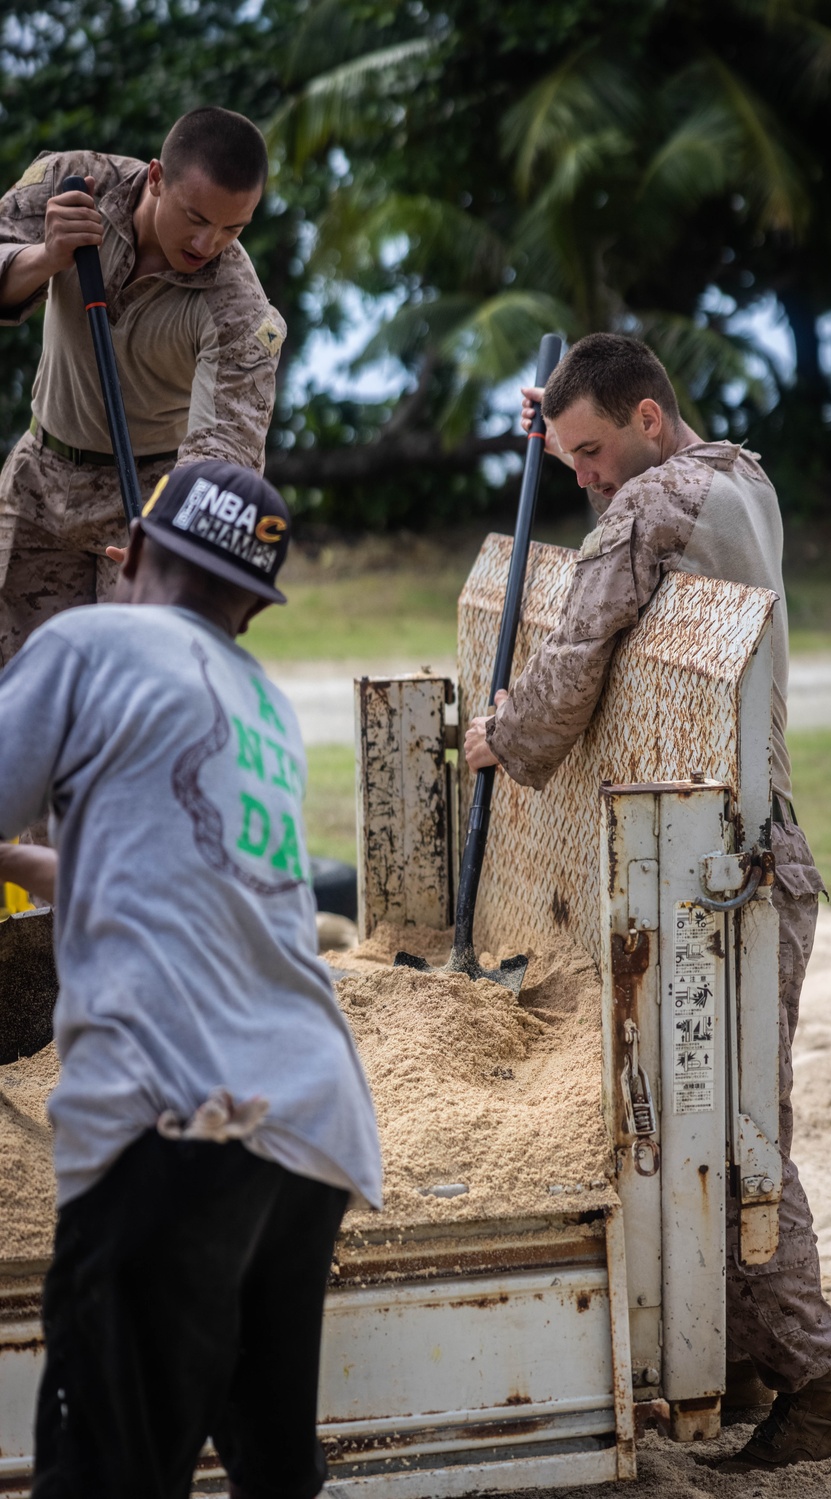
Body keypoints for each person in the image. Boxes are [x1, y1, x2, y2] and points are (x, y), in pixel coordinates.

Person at [464, 332, 831, 1471]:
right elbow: (613, 374)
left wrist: (501, 733)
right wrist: (562, 415)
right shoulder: (740, 472)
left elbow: (569, 662)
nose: (581, 473)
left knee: (733, 1135)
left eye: (590, 451)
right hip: (762, 850)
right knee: (717, 1119)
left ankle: (816, 1387)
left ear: (647, 420)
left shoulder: (645, 512)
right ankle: (734, 1360)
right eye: (567, 454)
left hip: (711, 869)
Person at [0, 460, 381, 1499]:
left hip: (176, 1116)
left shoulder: (89, 639)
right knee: (271, 1473)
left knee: (102, 1472)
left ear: (128, 550)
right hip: (307, 1122)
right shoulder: (260, 705)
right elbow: (159, 866)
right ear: (250, 602)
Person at [0, 106, 287, 668]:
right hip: (38, 480)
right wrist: (46, 256)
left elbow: (225, 453)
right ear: (156, 177)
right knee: (14, 693)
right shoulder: (75, 184)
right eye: (196, 217)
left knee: (130, 694)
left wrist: (171, 538)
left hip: (148, 505)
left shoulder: (238, 308)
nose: (209, 242)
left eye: (233, 228)